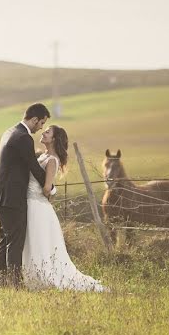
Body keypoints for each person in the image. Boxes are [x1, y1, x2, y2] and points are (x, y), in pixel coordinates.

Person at [22, 125, 107, 291]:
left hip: (37, 206)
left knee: (38, 241)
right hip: (31, 203)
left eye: (47, 132)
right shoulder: (42, 156)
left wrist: (52, 191)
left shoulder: (52, 160)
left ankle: (42, 278)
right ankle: (30, 276)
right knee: (31, 241)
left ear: (54, 139)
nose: (43, 133)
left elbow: (47, 188)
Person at [0, 103, 51, 288]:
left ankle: (1, 282)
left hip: (0, 195)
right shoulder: (24, 138)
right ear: (34, 119)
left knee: (6, 240)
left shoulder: (9, 132)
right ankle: (15, 284)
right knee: (15, 242)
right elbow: (33, 166)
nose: (41, 127)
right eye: (41, 123)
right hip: (13, 198)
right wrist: (51, 188)